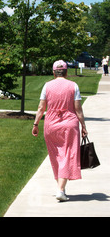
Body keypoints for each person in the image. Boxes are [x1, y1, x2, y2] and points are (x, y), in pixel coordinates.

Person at [32, 60, 88, 202]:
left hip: (51, 125)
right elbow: (78, 109)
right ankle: (61, 189)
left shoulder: (47, 86)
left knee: (56, 155)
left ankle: (60, 187)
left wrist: (36, 124)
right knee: (67, 154)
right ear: (66, 71)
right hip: (69, 124)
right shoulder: (73, 86)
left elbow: (41, 108)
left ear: (53, 72)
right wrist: (84, 126)